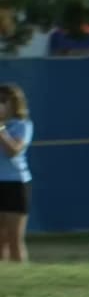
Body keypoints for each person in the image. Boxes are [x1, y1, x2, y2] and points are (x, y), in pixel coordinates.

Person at [0, 83, 34, 263]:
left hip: (15, 184)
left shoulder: (23, 125)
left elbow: (13, 151)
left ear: (13, 103)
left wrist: (1, 128)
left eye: (3, 100)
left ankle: (22, 276)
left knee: (14, 238)